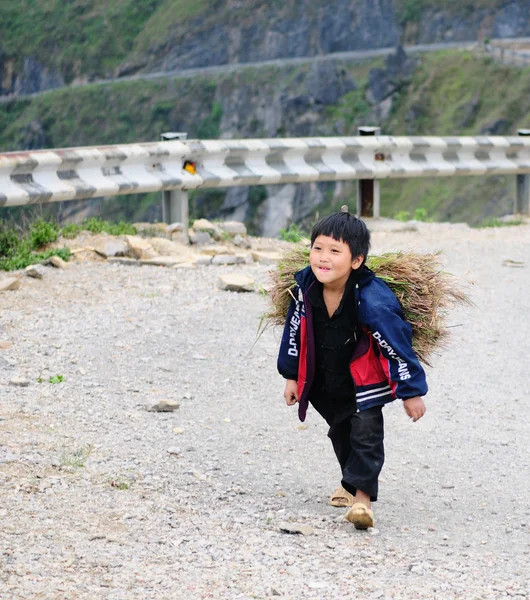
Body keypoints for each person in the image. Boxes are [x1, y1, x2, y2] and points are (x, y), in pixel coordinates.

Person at [277, 211, 427, 529]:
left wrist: (410, 392)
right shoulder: (304, 289)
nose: (323, 258)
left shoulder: (373, 301)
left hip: (364, 378)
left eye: (335, 251)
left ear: (356, 261)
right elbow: (293, 333)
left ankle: (362, 501)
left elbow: (396, 346)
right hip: (324, 376)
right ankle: (349, 483)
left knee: (366, 433)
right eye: (318, 248)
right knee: (341, 431)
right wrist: (291, 375)